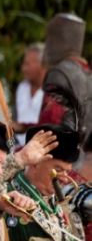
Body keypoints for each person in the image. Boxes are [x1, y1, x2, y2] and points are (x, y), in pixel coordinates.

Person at [39, 13, 91, 145]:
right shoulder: (87, 72)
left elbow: (49, 125)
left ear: (60, 41)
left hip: (61, 153)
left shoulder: (58, 74)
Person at [14, 44, 46, 143]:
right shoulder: (22, 88)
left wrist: (22, 127)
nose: (23, 69)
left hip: (42, 147)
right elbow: (16, 121)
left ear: (42, 65)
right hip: (18, 145)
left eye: (27, 64)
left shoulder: (52, 92)